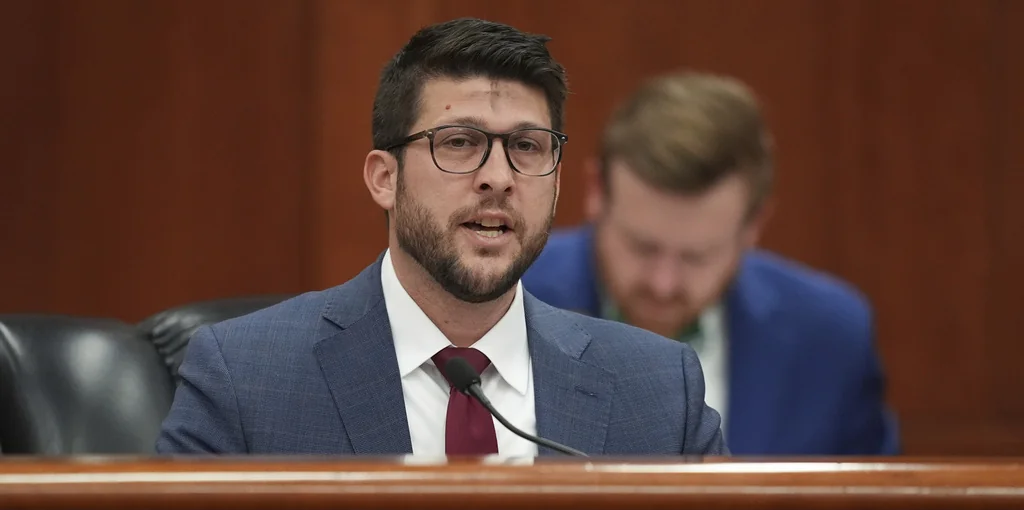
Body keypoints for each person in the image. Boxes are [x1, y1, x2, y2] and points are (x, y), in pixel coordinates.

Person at [156, 18, 726, 460]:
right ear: (385, 178)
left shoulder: (656, 389)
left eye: (527, 147)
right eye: (459, 142)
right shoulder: (246, 377)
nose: (499, 177)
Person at [522, 72, 899, 456]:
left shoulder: (830, 336)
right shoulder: (509, 301)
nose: (663, 283)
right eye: (642, 247)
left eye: (697, 257)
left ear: (754, 225)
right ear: (596, 192)